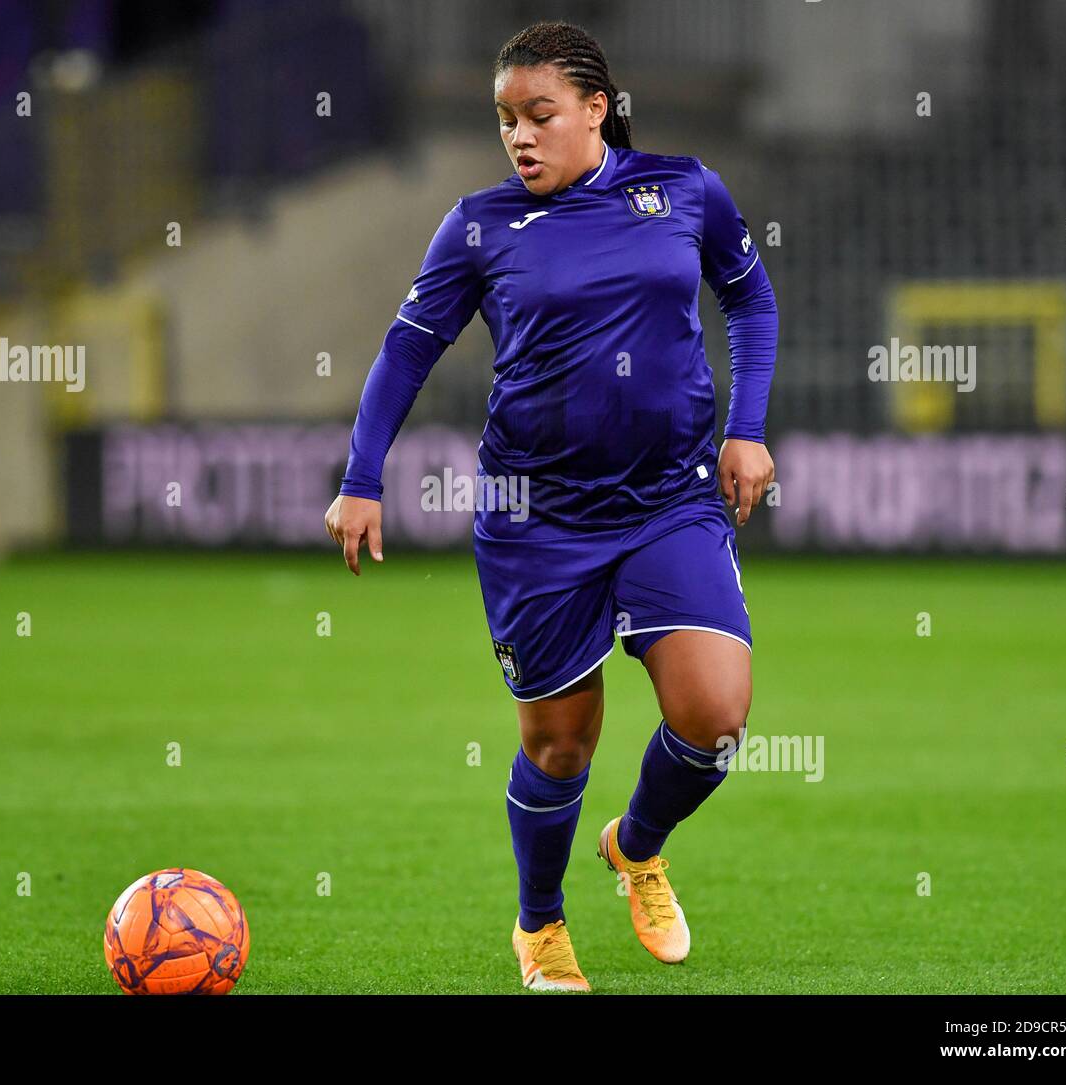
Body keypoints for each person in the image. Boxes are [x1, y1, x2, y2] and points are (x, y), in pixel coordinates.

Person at [324, 20, 778, 992]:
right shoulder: (480, 226)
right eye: (504, 120)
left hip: (669, 500)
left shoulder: (685, 189)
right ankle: (539, 923)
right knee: (559, 742)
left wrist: (747, 426)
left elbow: (750, 297)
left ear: (596, 110)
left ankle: (636, 845)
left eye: (539, 114)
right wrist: (362, 476)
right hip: (537, 520)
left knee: (716, 718)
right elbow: (409, 347)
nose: (518, 136)